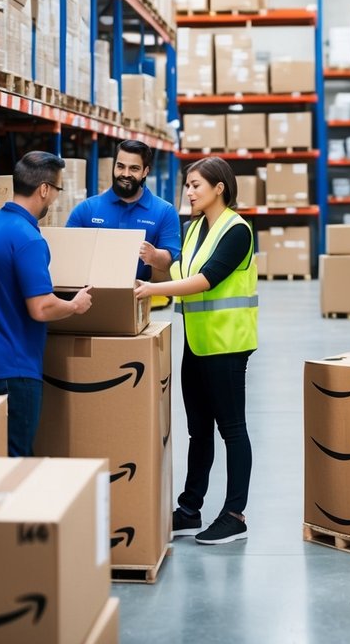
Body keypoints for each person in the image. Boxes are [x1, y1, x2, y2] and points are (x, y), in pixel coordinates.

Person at [134, 157, 257, 545]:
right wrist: (156, 262)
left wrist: (152, 291)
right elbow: (180, 272)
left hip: (228, 345)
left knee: (232, 429)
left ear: (219, 188)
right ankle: (189, 509)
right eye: (187, 186)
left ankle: (235, 515)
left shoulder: (237, 230)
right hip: (197, 343)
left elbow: (205, 280)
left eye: (196, 186)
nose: (189, 192)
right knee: (198, 431)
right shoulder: (192, 229)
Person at [0, 151, 93, 457]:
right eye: (57, 190)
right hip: (12, 368)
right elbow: (41, 307)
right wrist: (75, 304)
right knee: (17, 458)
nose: (56, 199)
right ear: (44, 189)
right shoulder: (28, 238)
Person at [67, 139, 182, 283]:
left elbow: (169, 263)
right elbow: (69, 255)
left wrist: (153, 255)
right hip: (91, 295)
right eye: (120, 166)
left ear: (146, 171)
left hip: (140, 295)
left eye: (134, 168)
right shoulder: (86, 209)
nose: (125, 174)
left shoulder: (164, 211)